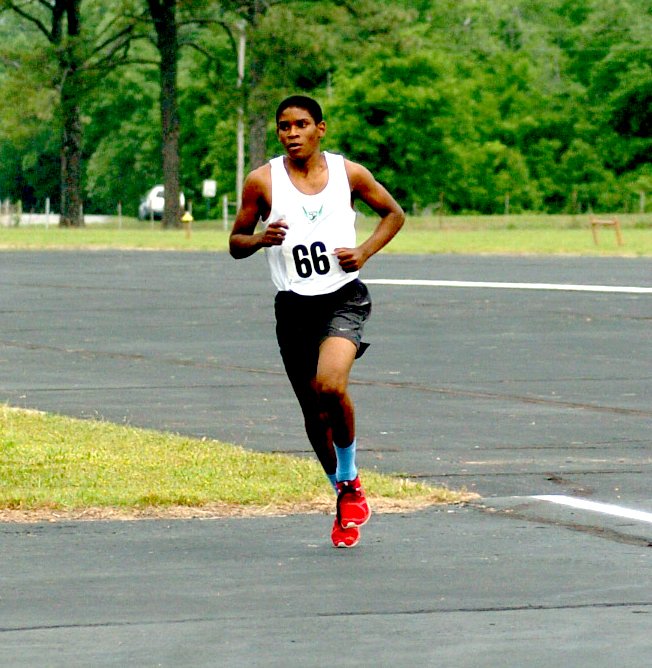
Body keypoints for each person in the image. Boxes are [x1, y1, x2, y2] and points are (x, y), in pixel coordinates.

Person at [229, 95, 404, 548]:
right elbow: (235, 242)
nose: (291, 133)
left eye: (301, 125)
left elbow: (394, 214)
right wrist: (260, 238)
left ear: (320, 129)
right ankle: (344, 497)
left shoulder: (350, 174)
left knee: (331, 385)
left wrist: (363, 252)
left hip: (343, 298)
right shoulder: (261, 181)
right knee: (312, 412)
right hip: (293, 307)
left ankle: (349, 478)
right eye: (284, 126)